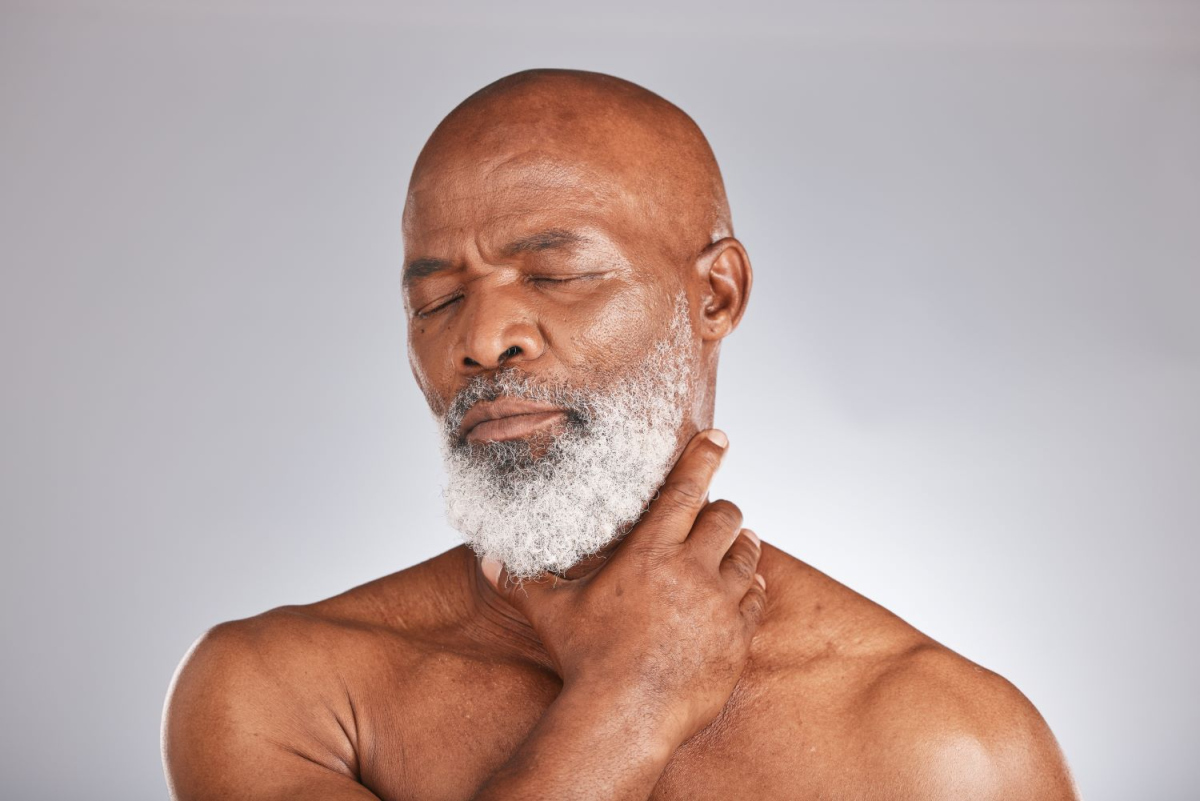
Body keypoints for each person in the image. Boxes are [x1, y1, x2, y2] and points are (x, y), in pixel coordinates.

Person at [162, 68, 1079, 800]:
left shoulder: (947, 749)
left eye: (555, 274)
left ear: (714, 295)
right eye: (436, 299)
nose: (480, 341)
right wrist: (626, 704)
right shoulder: (279, 695)